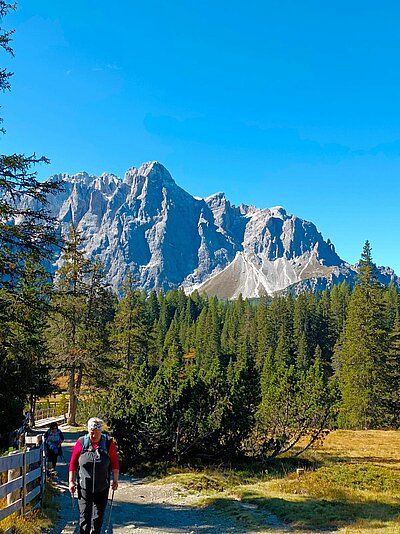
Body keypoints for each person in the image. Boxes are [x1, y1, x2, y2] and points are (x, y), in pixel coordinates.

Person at [68, 418, 119, 534]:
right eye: (91, 432)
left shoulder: (108, 443)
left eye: (96, 433)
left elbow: (115, 463)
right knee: (85, 517)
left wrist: (115, 480)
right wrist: (71, 481)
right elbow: (73, 463)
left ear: (101, 432)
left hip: (102, 487)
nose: (93, 435)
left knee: (98, 518)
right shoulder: (81, 442)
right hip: (84, 487)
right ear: (88, 430)